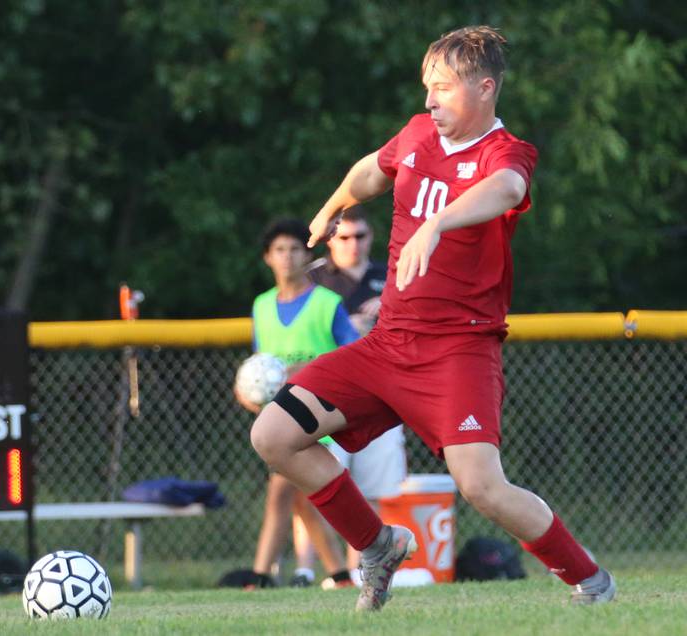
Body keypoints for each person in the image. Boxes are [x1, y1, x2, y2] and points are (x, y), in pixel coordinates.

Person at [250, 26, 616, 611]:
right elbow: (372, 170)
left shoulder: (506, 151)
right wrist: (330, 207)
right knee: (273, 436)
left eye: (443, 88)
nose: (429, 101)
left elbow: (505, 188)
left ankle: (590, 581)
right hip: (388, 345)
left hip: (457, 353)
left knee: (482, 487)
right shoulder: (420, 134)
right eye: (427, 87)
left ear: (486, 89)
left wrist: (438, 221)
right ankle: (378, 546)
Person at [236, 218, 359, 589]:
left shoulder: (327, 304)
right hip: (281, 417)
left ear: (308, 255)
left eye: (295, 249)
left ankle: (259, 577)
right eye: (279, 250)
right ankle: (340, 576)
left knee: (279, 493)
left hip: (321, 414)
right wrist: (247, 389)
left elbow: (356, 354)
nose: (287, 257)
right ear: (267, 258)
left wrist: (310, 367)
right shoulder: (261, 306)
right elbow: (261, 365)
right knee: (304, 500)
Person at [305, 206, 407, 580]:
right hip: (324, 394)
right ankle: (309, 569)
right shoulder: (313, 278)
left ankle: (361, 569)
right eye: (344, 237)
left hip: (381, 393)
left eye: (360, 236)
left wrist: (389, 312)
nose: (352, 244)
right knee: (317, 486)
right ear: (331, 239)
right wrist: (346, 325)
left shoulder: (390, 276)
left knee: (373, 490)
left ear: (371, 237)